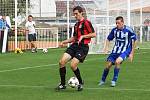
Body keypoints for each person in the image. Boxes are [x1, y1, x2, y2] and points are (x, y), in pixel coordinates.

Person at [55, 6, 96, 91]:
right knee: (61, 62)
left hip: (83, 47)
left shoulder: (87, 22)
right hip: (74, 46)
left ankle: (80, 82)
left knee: (73, 65)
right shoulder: (76, 25)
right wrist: (64, 42)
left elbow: (93, 34)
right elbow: (74, 38)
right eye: (74, 14)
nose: (75, 15)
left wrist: (83, 36)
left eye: (76, 14)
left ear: (81, 13)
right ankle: (63, 84)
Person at [98, 16, 137, 87]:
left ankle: (114, 80)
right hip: (115, 51)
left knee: (117, 61)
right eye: (116, 23)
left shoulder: (129, 30)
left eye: (118, 23)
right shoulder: (114, 30)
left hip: (125, 50)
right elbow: (108, 39)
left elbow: (135, 40)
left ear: (122, 23)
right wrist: (106, 48)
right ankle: (102, 80)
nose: (117, 24)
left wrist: (131, 53)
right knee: (108, 65)